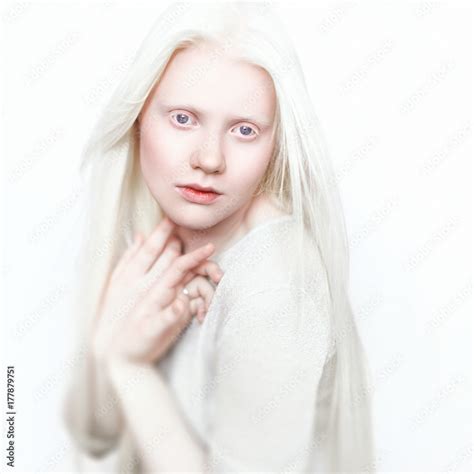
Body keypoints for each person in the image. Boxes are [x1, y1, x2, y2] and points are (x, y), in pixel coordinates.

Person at [63, 2, 375, 472]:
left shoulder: (274, 282)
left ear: (275, 145)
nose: (210, 158)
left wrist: (127, 366)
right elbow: (91, 429)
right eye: (184, 119)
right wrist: (112, 338)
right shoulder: (156, 246)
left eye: (244, 130)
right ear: (138, 116)